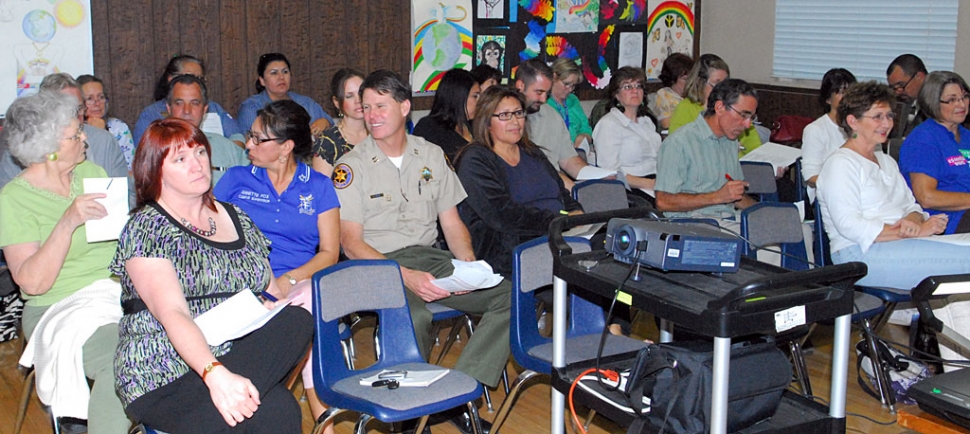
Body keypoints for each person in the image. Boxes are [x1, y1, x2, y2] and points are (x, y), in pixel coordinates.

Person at [332, 70, 509, 433]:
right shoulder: (350, 167)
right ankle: (413, 417)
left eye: (381, 106)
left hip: (429, 257)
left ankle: (458, 394)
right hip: (376, 266)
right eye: (366, 107)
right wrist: (404, 277)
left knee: (508, 296)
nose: (372, 114)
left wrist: (469, 268)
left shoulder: (431, 154)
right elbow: (350, 243)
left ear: (405, 107)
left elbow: (452, 223)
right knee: (413, 317)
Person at [112, 118, 313, 433]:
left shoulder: (237, 217)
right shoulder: (147, 226)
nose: (198, 165)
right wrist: (213, 373)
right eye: (181, 159)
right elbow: (172, 312)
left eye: (200, 153)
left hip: (235, 352)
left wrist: (270, 305)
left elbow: (272, 290)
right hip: (166, 370)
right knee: (277, 408)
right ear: (156, 170)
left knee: (296, 319)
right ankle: (221, 396)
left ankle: (222, 403)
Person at [0, 92, 130, 433]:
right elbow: (32, 283)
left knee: (184, 336)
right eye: (75, 134)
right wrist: (67, 221)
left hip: (115, 292)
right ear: (49, 149)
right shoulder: (14, 199)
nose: (85, 137)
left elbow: (119, 245)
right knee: (125, 358)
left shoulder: (93, 171)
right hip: (58, 305)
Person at [816, 81, 970, 366]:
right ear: (853, 121)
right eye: (877, 117)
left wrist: (915, 220)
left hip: (897, 245)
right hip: (859, 256)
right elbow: (850, 225)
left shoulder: (885, 161)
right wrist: (911, 229)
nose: (887, 123)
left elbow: (912, 205)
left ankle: (958, 375)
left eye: (889, 116)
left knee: (957, 289)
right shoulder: (840, 164)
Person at [214, 100, 341, 426]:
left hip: (301, 282)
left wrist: (289, 282)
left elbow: (329, 252)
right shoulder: (236, 180)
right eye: (250, 136)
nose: (249, 144)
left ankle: (286, 407)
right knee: (304, 318)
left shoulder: (319, 186)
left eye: (258, 139)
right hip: (245, 284)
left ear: (285, 147)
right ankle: (321, 415)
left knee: (307, 305)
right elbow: (211, 239)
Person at [456, 85, 582, 276]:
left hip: (559, 233)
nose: (515, 121)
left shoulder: (532, 152)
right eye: (505, 115)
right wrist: (559, 222)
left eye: (518, 113)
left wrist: (576, 212)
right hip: (512, 246)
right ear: (487, 121)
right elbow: (502, 215)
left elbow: (561, 191)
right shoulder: (475, 160)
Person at [0, 73, 129, 191]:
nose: (76, 116)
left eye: (79, 108)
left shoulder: (104, 141)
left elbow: (125, 194)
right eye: (67, 110)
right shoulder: (22, 147)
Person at [655, 79, 758, 218]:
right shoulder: (680, 142)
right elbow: (663, 201)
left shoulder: (730, 141)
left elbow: (735, 196)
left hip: (728, 219)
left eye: (751, 117)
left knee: (783, 231)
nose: (747, 124)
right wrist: (717, 197)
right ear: (720, 107)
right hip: (693, 224)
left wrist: (764, 214)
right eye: (743, 115)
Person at [899, 71, 970, 234]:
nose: (962, 105)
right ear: (933, 103)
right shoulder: (923, 139)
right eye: (952, 100)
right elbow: (927, 197)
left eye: (964, 96)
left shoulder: (966, 136)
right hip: (945, 221)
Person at [514, 58, 589, 191]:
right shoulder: (504, 120)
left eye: (547, 93)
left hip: (556, 186)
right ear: (520, 86)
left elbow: (569, 161)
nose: (543, 99)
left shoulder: (551, 115)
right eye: (539, 92)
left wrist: (598, 176)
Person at [668, 54, 762, 157]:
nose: (724, 88)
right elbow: (679, 149)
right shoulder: (685, 108)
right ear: (700, 83)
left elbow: (756, 147)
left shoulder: (734, 108)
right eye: (717, 84)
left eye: (726, 82)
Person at [133, 55, 240, 144]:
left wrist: (225, 153)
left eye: (200, 79)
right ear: (171, 80)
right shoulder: (152, 113)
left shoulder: (214, 108)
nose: (187, 110)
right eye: (189, 77)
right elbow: (144, 151)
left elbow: (237, 137)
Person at [592, 66, 662, 201]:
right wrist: (652, 184)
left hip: (658, 182)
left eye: (638, 86)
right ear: (616, 94)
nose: (635, 91)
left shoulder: (647, 121)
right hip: (632, 189)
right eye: (627, 87)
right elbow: (611, 173)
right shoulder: (608, 124)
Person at [165, 74, 248, 185]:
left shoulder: (227, 148)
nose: (187, 111)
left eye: (194, 103)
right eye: (179, 103)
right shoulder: (153, 150)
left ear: (205, 109)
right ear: (169, 108)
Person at [237, 53, 334, 136]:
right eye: (274, 73)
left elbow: (331, 124)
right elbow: (251, 140)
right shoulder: (252, 107)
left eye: (285, 72)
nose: (281, 77)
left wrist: (325, 122)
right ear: (262, 81)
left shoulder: (305, 102)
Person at [801, 68, 857, 200]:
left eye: (851, 92)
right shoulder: (816, 130)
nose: (847, 97)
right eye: (841, 92)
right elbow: (811, 177)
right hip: (830, 196)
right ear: (828, 99)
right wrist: (844, 186)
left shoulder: (864, 126)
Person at [413, 68, 481, 162]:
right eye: (475, 96)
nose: (479, 102)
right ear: (458, 96)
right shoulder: (428, 127)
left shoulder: (472, 125)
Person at [312, 68, 368, 176]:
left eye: (361, 93)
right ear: (337, 102)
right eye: (349, 96)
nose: (358, 101)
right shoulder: (327, 143)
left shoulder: (380, 134)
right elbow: (322, 190)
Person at [77, 74, 136, 170]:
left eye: (101, 97)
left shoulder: (119, 128)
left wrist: (103, 132)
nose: (97, 103)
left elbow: (130, 169)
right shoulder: (75, 130)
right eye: (90, 99)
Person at [546, 57, 593, 148]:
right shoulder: (544, 102)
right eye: (566, 84)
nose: (570, 89)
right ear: (554, 77)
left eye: (573, 86)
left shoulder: (573, 100)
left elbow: (586, 128)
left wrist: (583, 137)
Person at [649, 52, 693, 129]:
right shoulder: (664, 95)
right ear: (673, 79)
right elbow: (667, 125)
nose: (689, 82)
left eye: (691, 78)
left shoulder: (693, 95)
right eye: (685, 79)